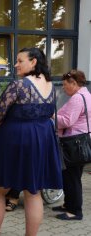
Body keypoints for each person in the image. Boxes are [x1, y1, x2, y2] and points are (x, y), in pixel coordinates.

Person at [0, 48, 63, 236]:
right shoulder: (52, 86)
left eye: (20, 61)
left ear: (33, 62)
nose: (16, 64)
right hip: (42, 137)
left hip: (16, 138)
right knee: (33, 191)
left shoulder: (18, 85)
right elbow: (52, 114)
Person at [54, 69, 89, 220]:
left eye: (65, 84)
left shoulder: (77, 98)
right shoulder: (86, 95)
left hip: (73, 143)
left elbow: (68, 121)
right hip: (80, 141)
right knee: (71, 176)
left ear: (74, 83)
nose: (63, 88)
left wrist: (52, 116)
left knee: (72, 177)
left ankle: (75, 211)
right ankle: (68, 204)